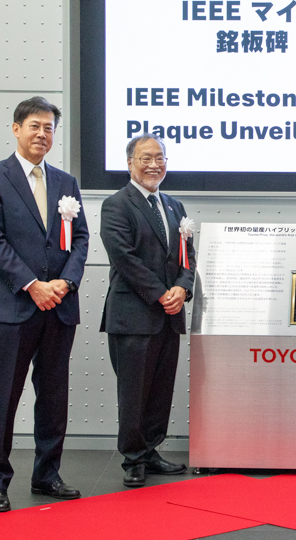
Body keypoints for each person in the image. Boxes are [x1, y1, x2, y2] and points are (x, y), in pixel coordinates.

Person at [0, 97, 89, 513]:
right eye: (35, 126)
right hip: (12, 305)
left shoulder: (65, 182)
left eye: (49, 128)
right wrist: (32, 284)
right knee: (4, 395)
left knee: (54, 396)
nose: (42, 134)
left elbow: (80, 239)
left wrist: (65, 283)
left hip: (59, 305)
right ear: (16, 128)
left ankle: (47, 474)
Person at [99, 134, 195, 488]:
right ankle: (133, 458)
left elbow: (187, 256)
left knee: (159, 390)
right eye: (146, 158)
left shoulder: (174, 206)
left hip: (169, 316)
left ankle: (151, 450)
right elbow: (124, 258)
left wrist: (183, 288)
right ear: (130, 163)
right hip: (133, 315)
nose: (154, 165)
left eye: (160, 158)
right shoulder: (116, 204)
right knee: (134, 392)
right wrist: (160, 294)